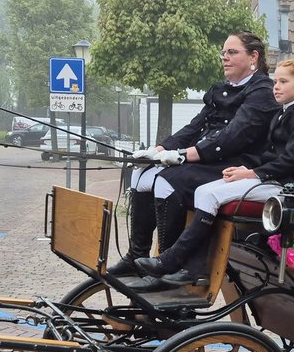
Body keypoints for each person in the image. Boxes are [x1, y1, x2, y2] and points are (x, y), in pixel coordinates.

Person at [110, 31, 280, 291]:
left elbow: (234, 135)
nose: (225, 57)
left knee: (169, 181)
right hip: (206, 159)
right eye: (223, 52)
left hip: (236, 165)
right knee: (142, 174)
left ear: (253, 56)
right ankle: (137, 254)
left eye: (232, 52)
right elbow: (194, 127)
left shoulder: (262, 92)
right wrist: (159, 150)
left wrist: (184, 155)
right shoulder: (220, 90)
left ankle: (166, 266)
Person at [136, 59, 294, 286]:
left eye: (283, 81)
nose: (276, 86)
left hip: (287, 189)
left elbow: (290, 161)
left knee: (211, 195)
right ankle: (192, 266)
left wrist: (253, 174)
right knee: (203, 191)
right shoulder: (282, 113)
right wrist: (246, 169)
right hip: (270, 180)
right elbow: (270, 154)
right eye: (275, 81)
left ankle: (173, 260)